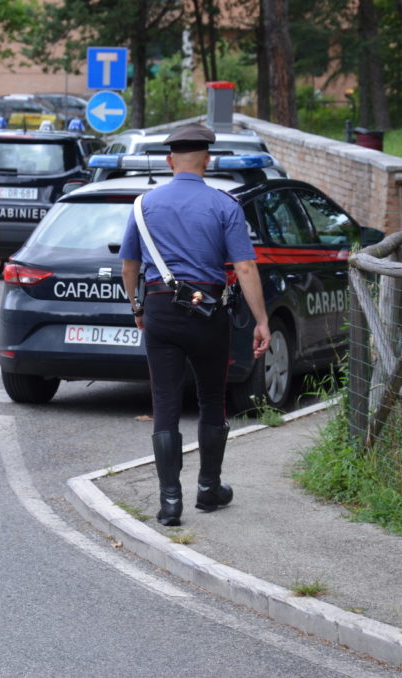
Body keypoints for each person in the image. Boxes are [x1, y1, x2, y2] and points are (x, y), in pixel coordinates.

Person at [119, 122, 270, 526]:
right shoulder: (225, 206)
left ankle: (170, 502)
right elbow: (245, 267)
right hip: (209, 314)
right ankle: (209, 488)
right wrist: (261, 321)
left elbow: (129, 266)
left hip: (160, 310)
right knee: (211, 400)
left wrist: (137, 309)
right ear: (208, 159)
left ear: (170, 161)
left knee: (165, 403)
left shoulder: (142, 205)